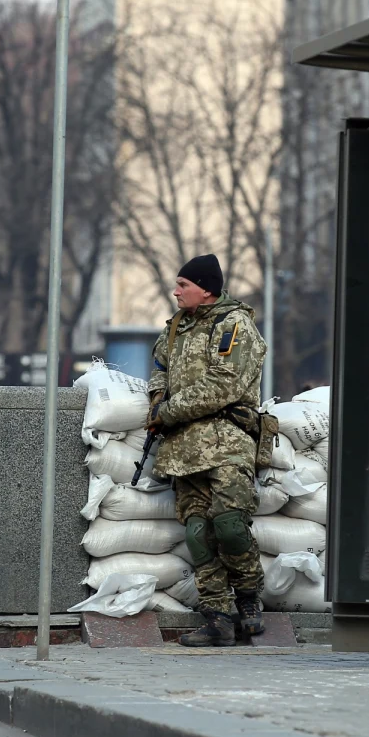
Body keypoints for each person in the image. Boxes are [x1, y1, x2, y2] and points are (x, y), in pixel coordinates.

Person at [147, 254, 268, 647]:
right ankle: (217, 616)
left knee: (230, 525)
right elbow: (159, 368)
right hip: (183, 449)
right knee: (198, 533)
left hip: (227, 443)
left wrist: (166, 412)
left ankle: (249, 600)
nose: (176, 291)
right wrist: (156, 398)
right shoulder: (176, 328)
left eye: (183, 285)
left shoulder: (233, 325)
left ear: (206, 289)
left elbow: (223, 387)